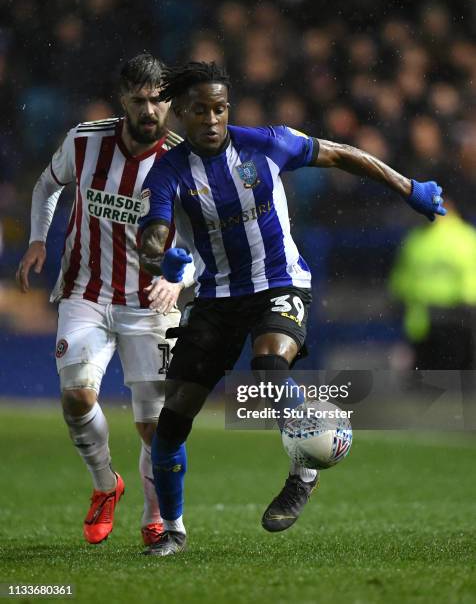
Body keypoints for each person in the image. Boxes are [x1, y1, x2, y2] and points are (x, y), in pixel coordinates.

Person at [137, 61, 446, 556]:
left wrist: (410, 189)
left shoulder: (267, 142)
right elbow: (151, 235)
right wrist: (161, 257)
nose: (212, 119)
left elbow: (341, 154)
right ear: (180, 114)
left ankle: (303, 473)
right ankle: (172, 529)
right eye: (200, 111)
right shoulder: (169, 172)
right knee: (174, 419)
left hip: (280, 283)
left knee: (268, 365)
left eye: (220, 108)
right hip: (216, 299)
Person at [16, 54, 194, 546]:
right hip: (84, 292)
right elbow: (46, 186)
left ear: (170, 102)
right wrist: (37, 239)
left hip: (151, 302)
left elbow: (205, 245)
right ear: (123, 100)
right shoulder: (85, 141)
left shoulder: (183, 159)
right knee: (76, 396)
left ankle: (154, 518)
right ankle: (104, 486)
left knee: (154, 427)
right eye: (139, 100)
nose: (150, 110)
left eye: (159, 100)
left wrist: (178, 282)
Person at [390, 201, 476, 369]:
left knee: (433, 380)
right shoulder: (465, 237)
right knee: (452, 380)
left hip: (444, 320)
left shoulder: (415, 239)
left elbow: (400, 282)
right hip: (446, 320)